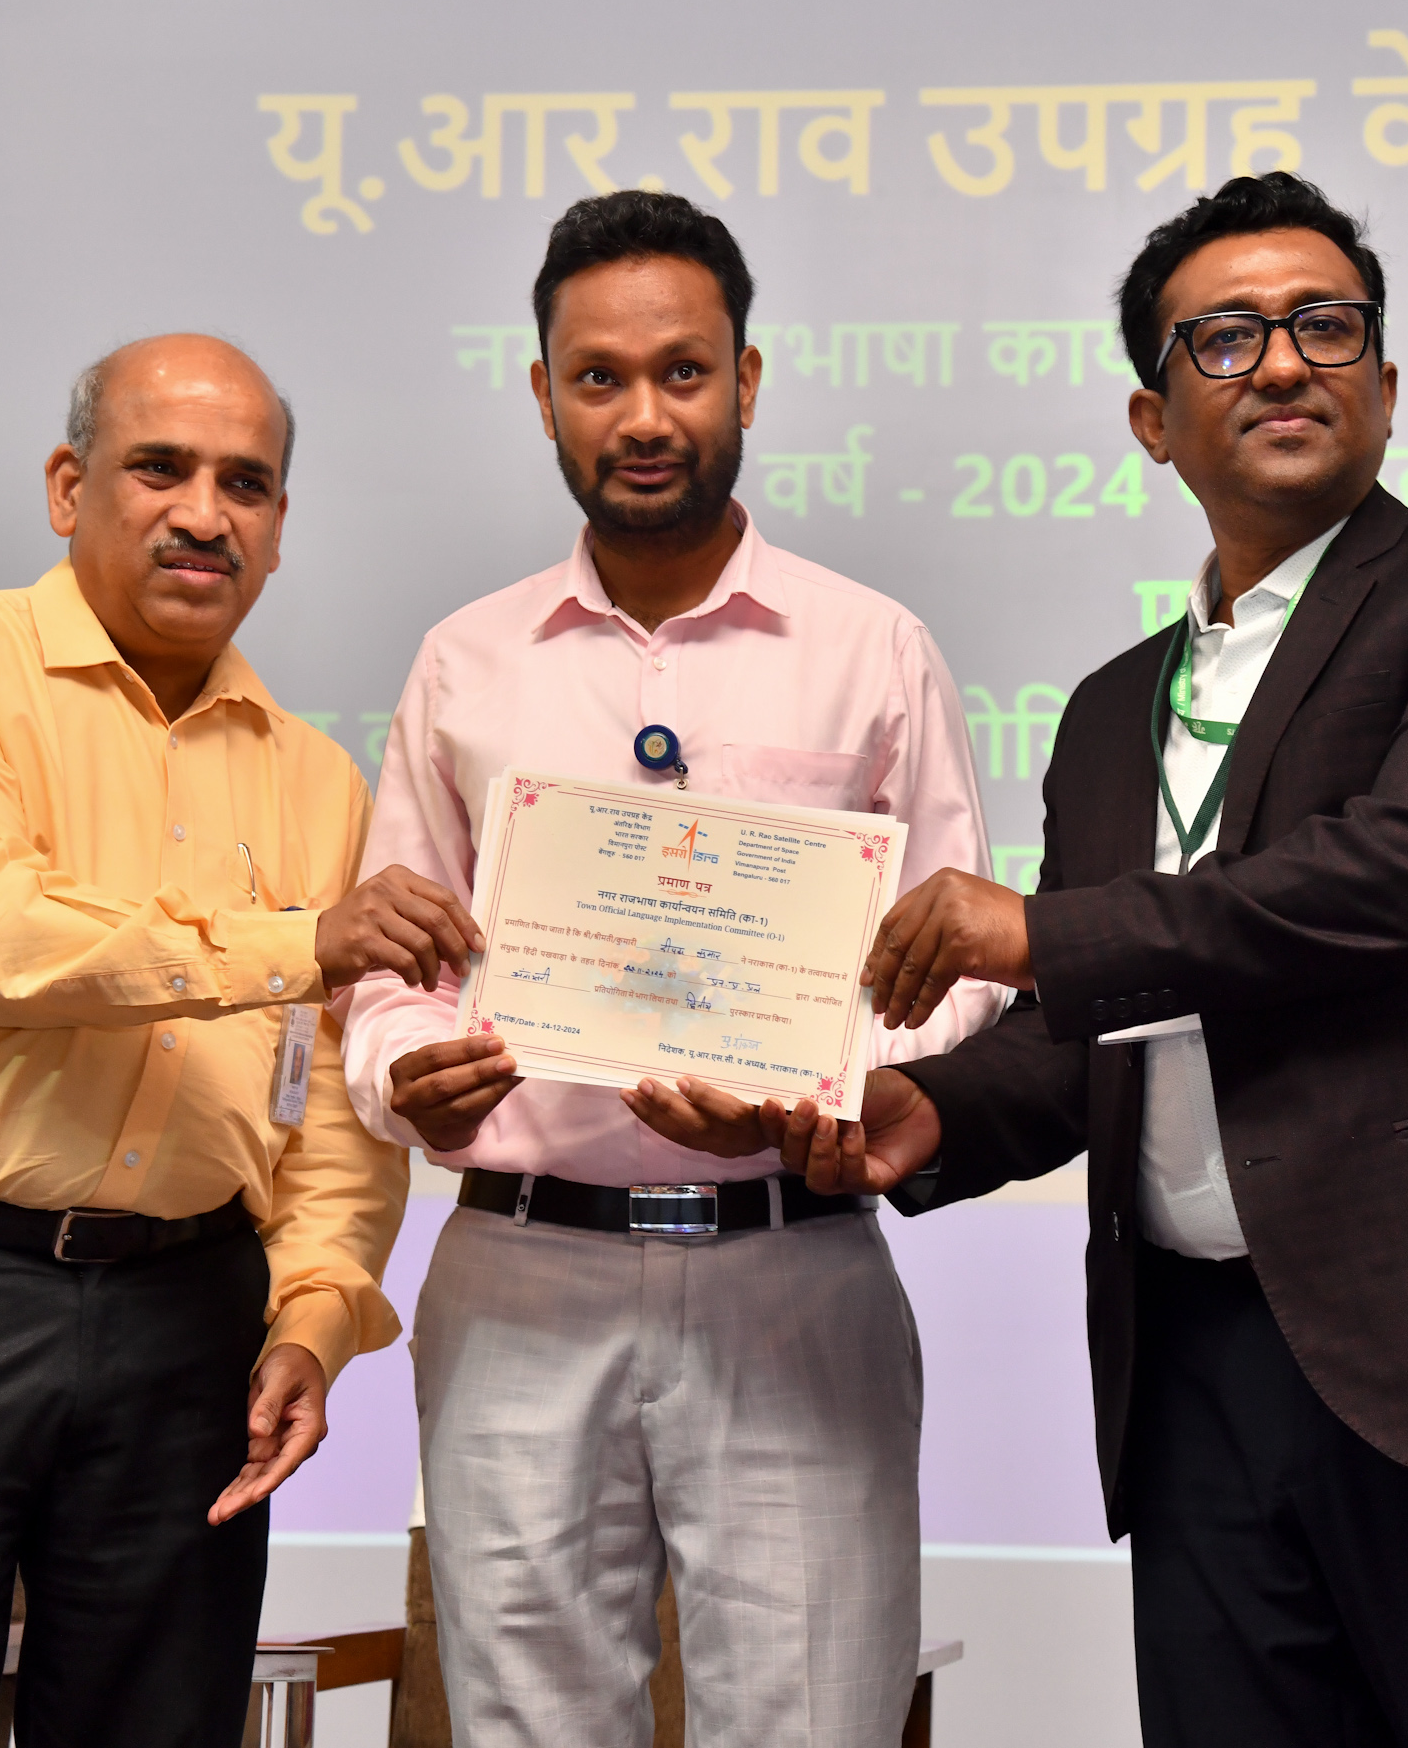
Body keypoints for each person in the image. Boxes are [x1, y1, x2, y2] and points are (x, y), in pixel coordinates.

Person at [800, 174, 1408, 1746]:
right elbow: (1090, 1026)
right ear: (1152, 420)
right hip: (1193, 1383)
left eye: (1326, 325)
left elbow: (1404, 869)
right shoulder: (1114, 706)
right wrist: (929, 1111)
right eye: (1226, 338)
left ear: (1385, 380)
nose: (1287, 361)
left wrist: (1041, 930)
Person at [0, 334, 478, 1748]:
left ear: (278, 527)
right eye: (160, 469)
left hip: (193, 1325)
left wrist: (313, 1316)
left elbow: (332, 1108)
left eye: (246, 484)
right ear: (69, 487)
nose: (205, 513)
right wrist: (296, 939)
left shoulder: (318, 778)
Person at [335, 191, 1005, 1748]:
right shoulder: (464, 662)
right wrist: (398, 1075)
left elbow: (954, 964)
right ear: (543, 394)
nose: (643, 416)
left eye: (682, 372)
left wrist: (834, 1086)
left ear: (745, 380)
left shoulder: (870, 648)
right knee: (524, 1725)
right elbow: (393, 966)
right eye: (600, 377)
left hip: (794, 1264)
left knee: (815, 1721)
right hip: (519, 1270)